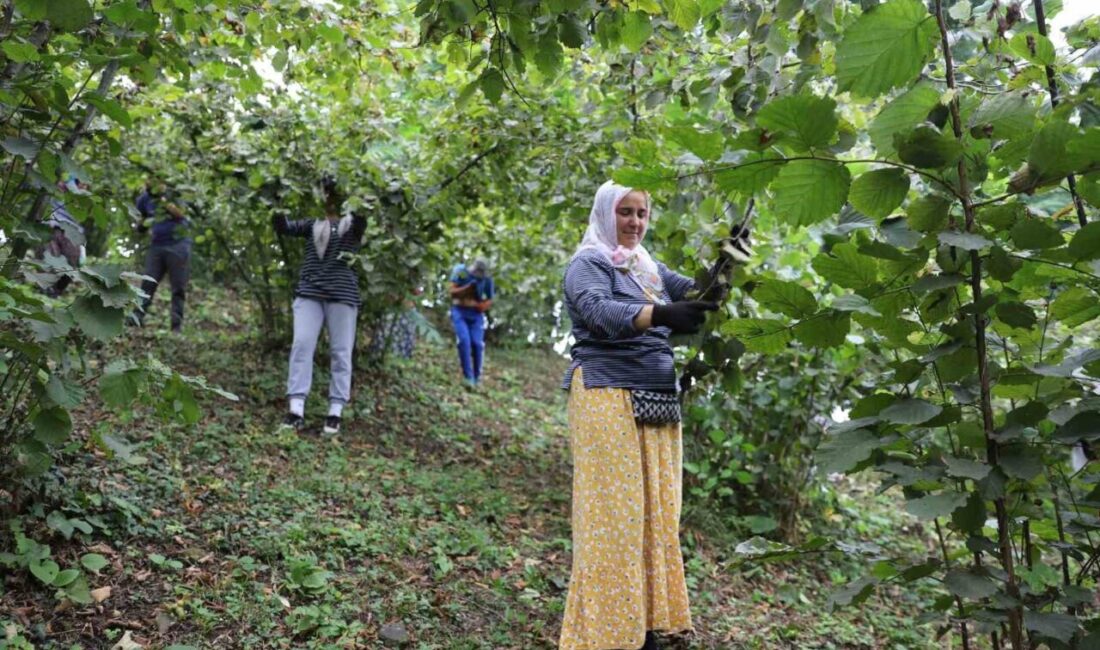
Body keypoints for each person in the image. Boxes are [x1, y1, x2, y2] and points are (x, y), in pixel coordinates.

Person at [559, 181, 721, 650]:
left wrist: (729, 263)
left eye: (642, 213)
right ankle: (610, 634)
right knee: (614, 517)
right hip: (607, 394)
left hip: (656, 398)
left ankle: (645, 626)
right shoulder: (587, 262)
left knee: (656, 514)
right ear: (607, 214)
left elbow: (698, 297)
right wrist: (663, 315)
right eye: (625, 212)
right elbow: (599, 312)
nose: (634, 222)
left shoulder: (647, 266)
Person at [273, 176, 366, 435]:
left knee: (341, 352)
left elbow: (364, 213)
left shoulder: (354, 224)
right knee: (302, 345)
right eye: (325, 192)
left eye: (332, 192)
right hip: (310, 293)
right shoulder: (313, 223)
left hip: (342, 295)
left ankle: (335, 412)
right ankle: (296, 410)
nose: (328, 196)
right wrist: (275, 197)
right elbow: (283, 227)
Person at [133, 179, 191, 332]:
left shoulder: (174, 194)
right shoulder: (144, 199)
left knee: (178, 287)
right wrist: (141, 226)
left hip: (178, 244)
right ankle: (136, 318)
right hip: (157, 245)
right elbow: (142, 219)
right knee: (148, 282)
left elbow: (182, 214)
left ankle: (176, 326)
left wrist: (166, 203)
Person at [39, 176, 89, 297]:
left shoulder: (84, 197)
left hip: (72, 231)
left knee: (71, 264)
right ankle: (45, 288)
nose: (84, 186)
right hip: (52, 226)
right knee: (50, 257)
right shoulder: (57, 187)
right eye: (81, 183)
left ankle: (56, 291)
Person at [449, 258, 494, 387]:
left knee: (477, 344)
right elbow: (451, 291)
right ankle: (468, 377)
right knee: (464, 341)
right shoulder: (461, 271)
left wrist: (483, 306)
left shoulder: (487, 279)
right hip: (459, 310)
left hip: (476, 314)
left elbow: (489, 299)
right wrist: (467, 288)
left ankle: (476, 377)